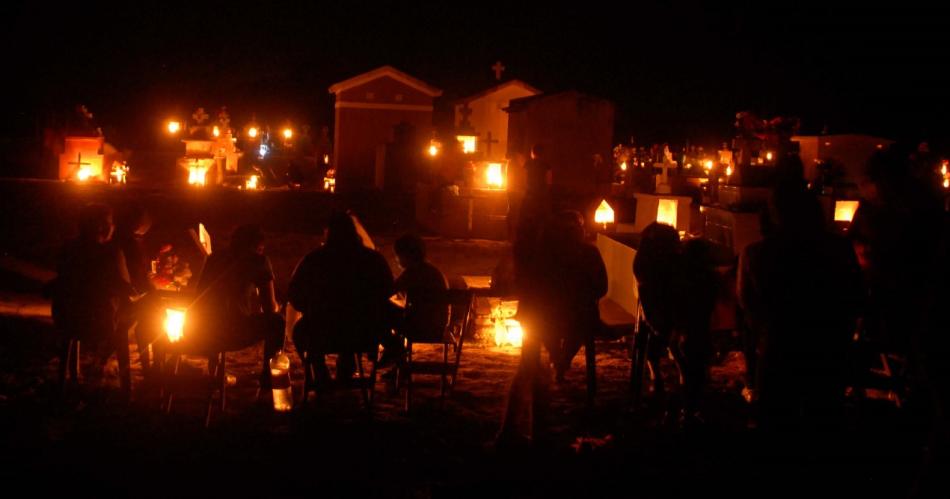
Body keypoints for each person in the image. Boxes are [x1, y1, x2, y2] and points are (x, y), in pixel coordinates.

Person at [739, 186, 863, 433]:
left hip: (778, 349)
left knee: (776, 423)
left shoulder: (756, 254)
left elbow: (748, 306)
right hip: (828, 351)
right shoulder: (839, 249)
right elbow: (855, 297)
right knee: (823, 422)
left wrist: (761, 339)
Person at [288, 212, 394, 383]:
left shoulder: (314, 259)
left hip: (320, 331)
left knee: (299, 332)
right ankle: (346, 364)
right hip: (363, 332)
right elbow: (388, 291)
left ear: (328, 232)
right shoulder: (372, 259)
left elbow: (294, 294)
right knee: (354, 323)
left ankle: (319, 369)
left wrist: (310, 308)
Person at [184, 224, 285, 391]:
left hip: (198, 331)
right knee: (277, 322)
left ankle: (215, 372)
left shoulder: (214, 258)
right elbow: (269, 307)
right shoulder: (258, 260)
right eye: (261, 249)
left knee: (217, 315)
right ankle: (268, 380)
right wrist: (278, 306)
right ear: (257, 246)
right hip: (231, 333)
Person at [49, 203, 135, 393]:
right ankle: (114, 366)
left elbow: (61, 280)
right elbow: (125, 288)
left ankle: (71, 375)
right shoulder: (111, 253)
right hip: (101, 323)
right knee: (139, 310)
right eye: (110, 223)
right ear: (101, 226)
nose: (113, 227)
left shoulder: (68, 249)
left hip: (68, 321)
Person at [113, 202, 162, 384]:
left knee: (152, 308)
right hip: (117, 307)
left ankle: (153, 369)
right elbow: (138, 278)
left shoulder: (114, 240)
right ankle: (155, 369)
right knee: (155, 313)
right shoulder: (128, 242)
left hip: (108, 302)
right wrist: (152, 289)